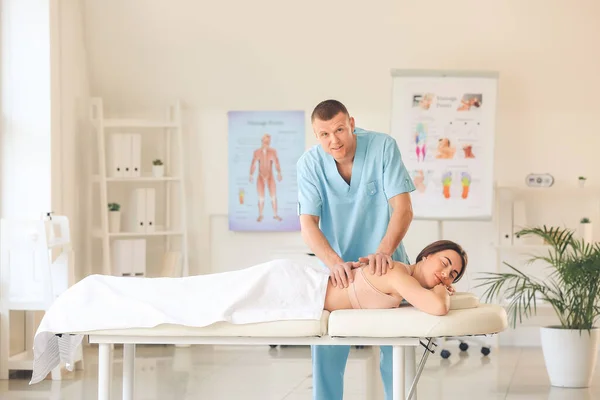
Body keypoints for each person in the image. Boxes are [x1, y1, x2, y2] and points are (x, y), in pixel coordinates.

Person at [296, 99, 416, 400]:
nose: (333, 140)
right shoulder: (310, 164)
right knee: (327, 352)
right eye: (324, 134)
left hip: (387, 268)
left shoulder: (383, 148)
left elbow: (403, 210)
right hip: (341, 274)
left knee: (396, 356)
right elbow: (308, 224)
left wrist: (383, 253)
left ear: (351, 122)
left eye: (339, 129)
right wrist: (334, 263)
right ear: (316, 134)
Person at [249, 133, 283, 222]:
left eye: (268, 142)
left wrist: (279, 173)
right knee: (261, 198)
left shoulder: (272, 151)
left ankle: (275, 215)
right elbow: (253, 163)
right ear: (262, 142)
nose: (266, 144)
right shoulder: (257, 152)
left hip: (270, 176)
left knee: (273, 196)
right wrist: (251, 174)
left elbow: (276, 162)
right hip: (260, 176)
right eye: (265, 142)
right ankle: (260, 215)